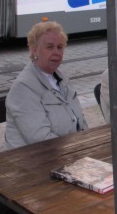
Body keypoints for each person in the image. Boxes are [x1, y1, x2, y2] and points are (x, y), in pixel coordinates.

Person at [5, 21, 88, 149]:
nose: (57, 52)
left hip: (67, 153)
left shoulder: (62, 79)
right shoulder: (23, 87)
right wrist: (77, 148)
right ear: (34, 51)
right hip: (34, 161)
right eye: (49, 47)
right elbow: (40, 139)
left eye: (60, 47)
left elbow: (81, 123)